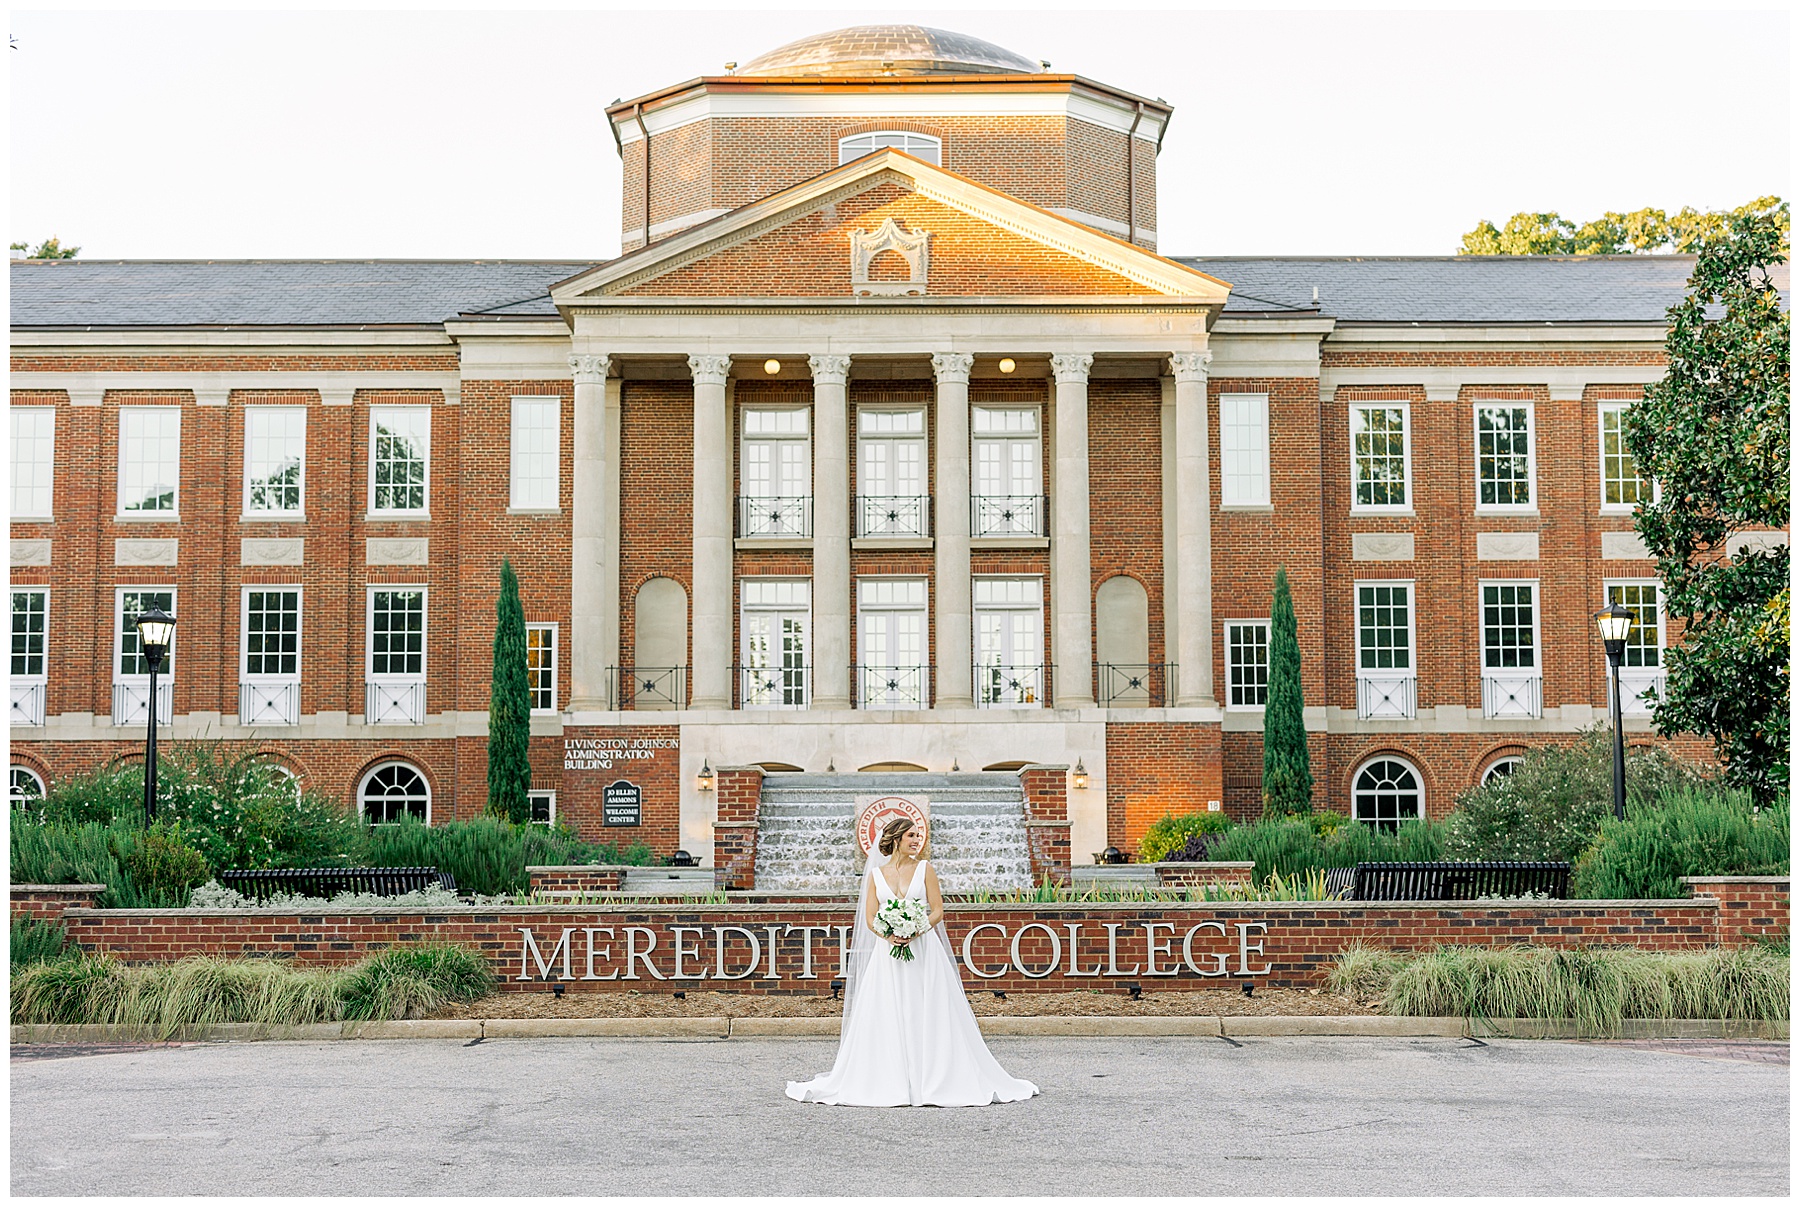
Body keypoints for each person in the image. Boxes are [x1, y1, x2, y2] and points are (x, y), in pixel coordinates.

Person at [785, 816, 1040, 1107]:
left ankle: (932, 1078)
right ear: (896, 839)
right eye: (911, 836)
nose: (917, 840)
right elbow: (870, 918)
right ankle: (891, 1079)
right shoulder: (876, 875)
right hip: (887, 955)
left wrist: (915, 929)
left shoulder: (925, 869)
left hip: (924, 951)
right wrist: (890, 934)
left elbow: (938, 910)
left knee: (927, 1006)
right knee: (888, 1009)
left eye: (918, 836)